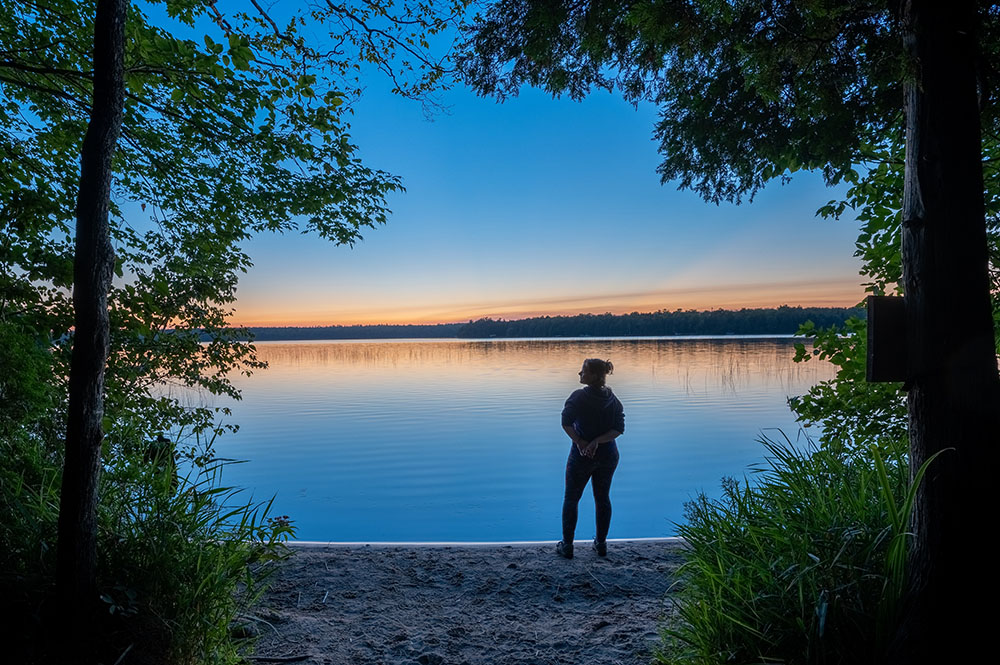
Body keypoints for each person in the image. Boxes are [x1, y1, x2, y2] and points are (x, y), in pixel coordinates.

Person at [557, 358, 624, 559]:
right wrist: (597, 441)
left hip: (582, 457)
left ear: (594, 375)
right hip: (608, 455)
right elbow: (618, 429)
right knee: (602, 498)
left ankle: (567, 546)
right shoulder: (613, 399)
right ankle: (601, 544)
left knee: (571, 498)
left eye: (583, 371)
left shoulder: (578, 397)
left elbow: (565, 422)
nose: (580, 374)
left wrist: (581, 442)